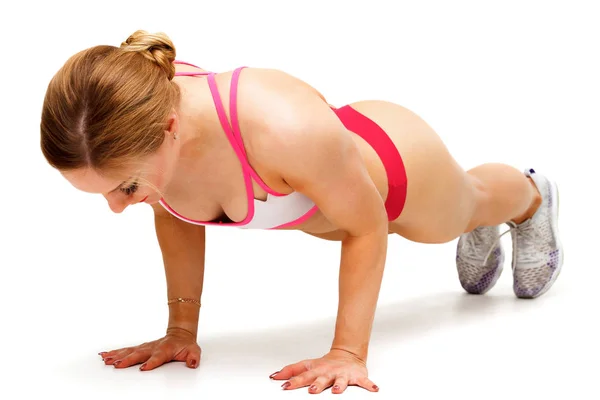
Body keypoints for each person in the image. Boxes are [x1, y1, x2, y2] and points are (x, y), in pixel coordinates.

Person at [39, 30, 563, 394]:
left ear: (170, 129)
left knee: (464, 208)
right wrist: (180, 331)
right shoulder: (140, 118)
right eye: (105, 192)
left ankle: (532, 197)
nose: (116, 208)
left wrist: (348, 353)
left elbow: (368, 224)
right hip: (330, 191)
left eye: (126, 187)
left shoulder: (282, 126)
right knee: (451, 214)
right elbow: (173, 214)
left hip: (400, 172)